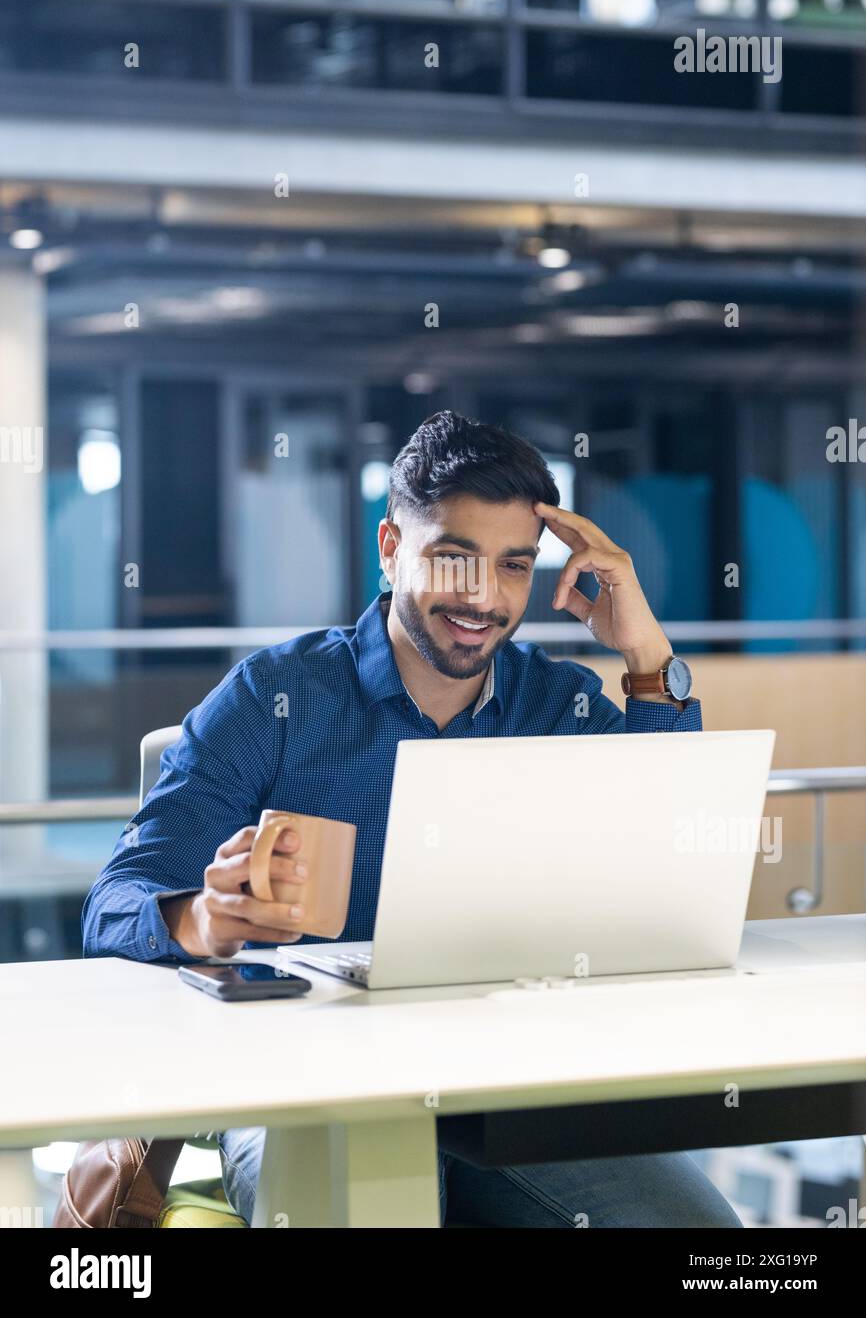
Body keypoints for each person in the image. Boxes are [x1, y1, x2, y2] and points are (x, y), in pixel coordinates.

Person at [83, 409, 741, 1228]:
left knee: (707, 1243)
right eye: (453, 558)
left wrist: (645, 657)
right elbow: (114, 904)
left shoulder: (557, 705)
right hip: (298, 1074)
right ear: (391, 548)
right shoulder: (274, 700)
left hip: (505, 1077)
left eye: (512, 567)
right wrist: (203, 917)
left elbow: (677, 850)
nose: (483, 599)